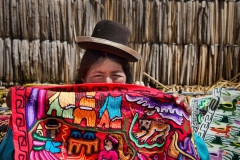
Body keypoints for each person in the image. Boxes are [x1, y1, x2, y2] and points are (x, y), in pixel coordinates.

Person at [0, 20, 209, 160]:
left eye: (116, 75)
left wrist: (178, 115)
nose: (107, 82)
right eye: (97, 76)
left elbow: (197, 153)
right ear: (83, 79)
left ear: (127, 78)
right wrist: (23, 111)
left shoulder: (147, 108)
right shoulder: (59, 104)